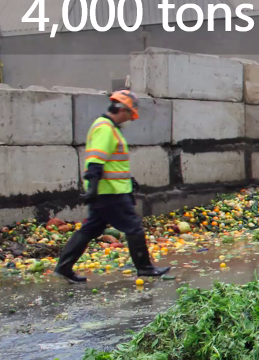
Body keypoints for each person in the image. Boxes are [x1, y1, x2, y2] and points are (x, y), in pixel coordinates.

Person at [54, 90, 171, 283]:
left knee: (90, 229)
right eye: (129, 114)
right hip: (110, 192)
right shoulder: (105, 128)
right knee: (133, 228)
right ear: (122, 109)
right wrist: (92, 187)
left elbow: (111, 162)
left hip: (109, 190)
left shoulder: (110, 128)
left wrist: (126, 180)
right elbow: (96, 161)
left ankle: (64, 267)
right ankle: (145, 268)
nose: (129, 119)